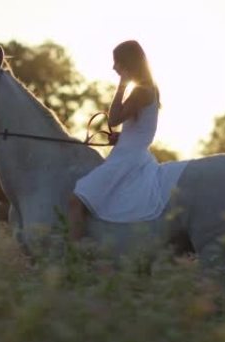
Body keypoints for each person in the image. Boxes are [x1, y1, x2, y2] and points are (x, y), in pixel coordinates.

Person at [68, 40, 184, 239]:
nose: (113, 67)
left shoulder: (141, 91)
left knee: (76, 200)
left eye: (117, 62)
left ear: (128, 63)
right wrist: (122, 137)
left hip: (127, 159)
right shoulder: (149, 89)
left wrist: (121, 84)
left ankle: (71, 253)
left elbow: (113, 118)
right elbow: (142, 130)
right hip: (131, 154)